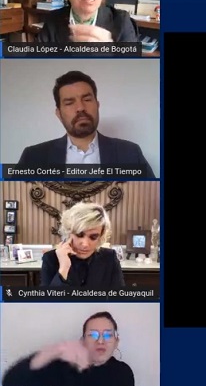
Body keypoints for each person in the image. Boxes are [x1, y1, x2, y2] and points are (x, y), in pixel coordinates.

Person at [1, 311, 141, 386]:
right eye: (93, 334)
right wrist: (53, 351)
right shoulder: (63, 367)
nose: (100, 340)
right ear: (83, 341)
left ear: (116, 342)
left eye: (108, 334)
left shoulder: (123, 372)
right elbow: (11, 383)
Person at [15, 70, 156, 178]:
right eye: (70, 102)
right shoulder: (33, 157)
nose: (80, 108)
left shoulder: (130, 153)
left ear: (97, 105)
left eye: (87, 99)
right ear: (59, 113)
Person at [40, 202, 126, 288]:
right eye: (79, 235)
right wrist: (64, 268)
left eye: (93, 237)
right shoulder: (50, 259)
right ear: (68, 232)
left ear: (101, 236)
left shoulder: (109, 257)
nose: (85, 244)